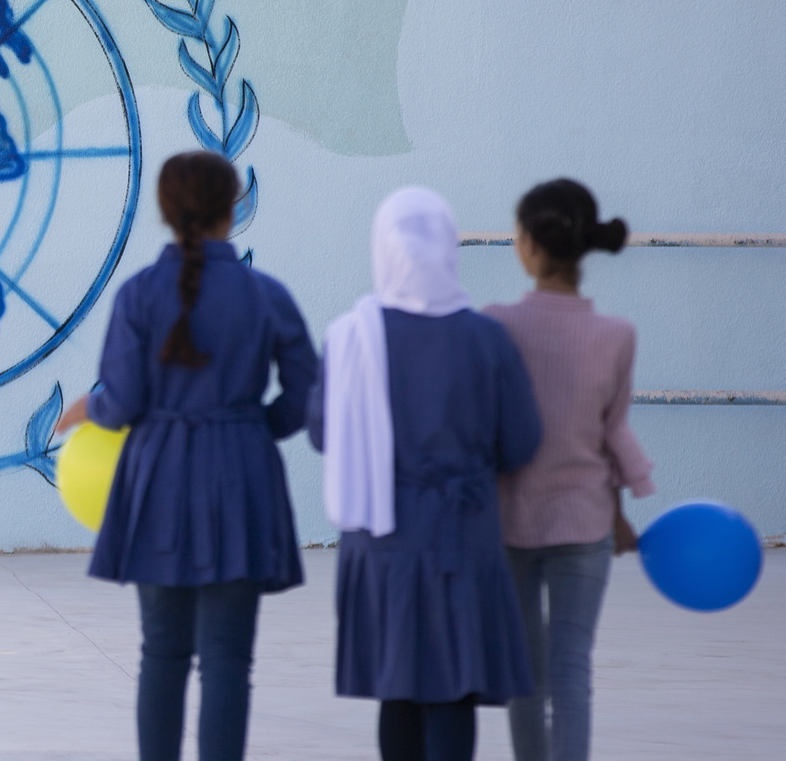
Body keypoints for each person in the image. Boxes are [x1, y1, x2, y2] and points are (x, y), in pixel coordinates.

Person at [55, 151, 318, 761]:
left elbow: (120, 406)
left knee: (162, 655)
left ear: (167, 212)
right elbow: (308, 393)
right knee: (229, 659)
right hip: (242, 479)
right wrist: (253, 428)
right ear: (234, 210)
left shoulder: (138, 295)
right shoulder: (266, 295)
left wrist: (89, 408)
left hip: (159, 483)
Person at [308, 187, 541, 761]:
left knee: (400, 690)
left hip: (382, 540)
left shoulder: (351, 337)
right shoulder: (487, 338)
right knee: (453, 689)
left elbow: (321, 434)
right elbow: (521, 442)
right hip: (464, 536)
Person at [483, 178, 655, 761]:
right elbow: (611, 432)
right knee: (572, 671)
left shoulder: (495, 324)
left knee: (525, 676)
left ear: (527, 244)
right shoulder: (616, 335)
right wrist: (621, 515)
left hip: (509, 521)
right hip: (584, 520)